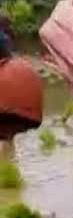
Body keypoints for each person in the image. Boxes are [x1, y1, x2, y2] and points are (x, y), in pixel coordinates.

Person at [0, 16, 43, 155]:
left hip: (6, 82)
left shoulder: (4, 39)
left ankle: (8, 163)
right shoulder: (5, 39)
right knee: (8, 134)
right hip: (10, 83)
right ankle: (9, 161)